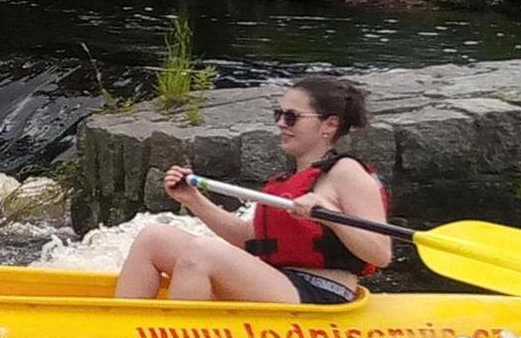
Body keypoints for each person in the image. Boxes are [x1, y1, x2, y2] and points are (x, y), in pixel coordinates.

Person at [113, 74, 390, 305]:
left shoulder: (347, 173)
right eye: (278, 115)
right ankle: (123, 335)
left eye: (291, 117)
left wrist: (327, 213)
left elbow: (380, 253)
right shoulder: (289, 179)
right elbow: (249, 241)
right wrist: (194, 200)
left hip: (322, 293)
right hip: (278, 280)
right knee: (154, 238)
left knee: (202, 253)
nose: (281, 123)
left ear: (329, 124)